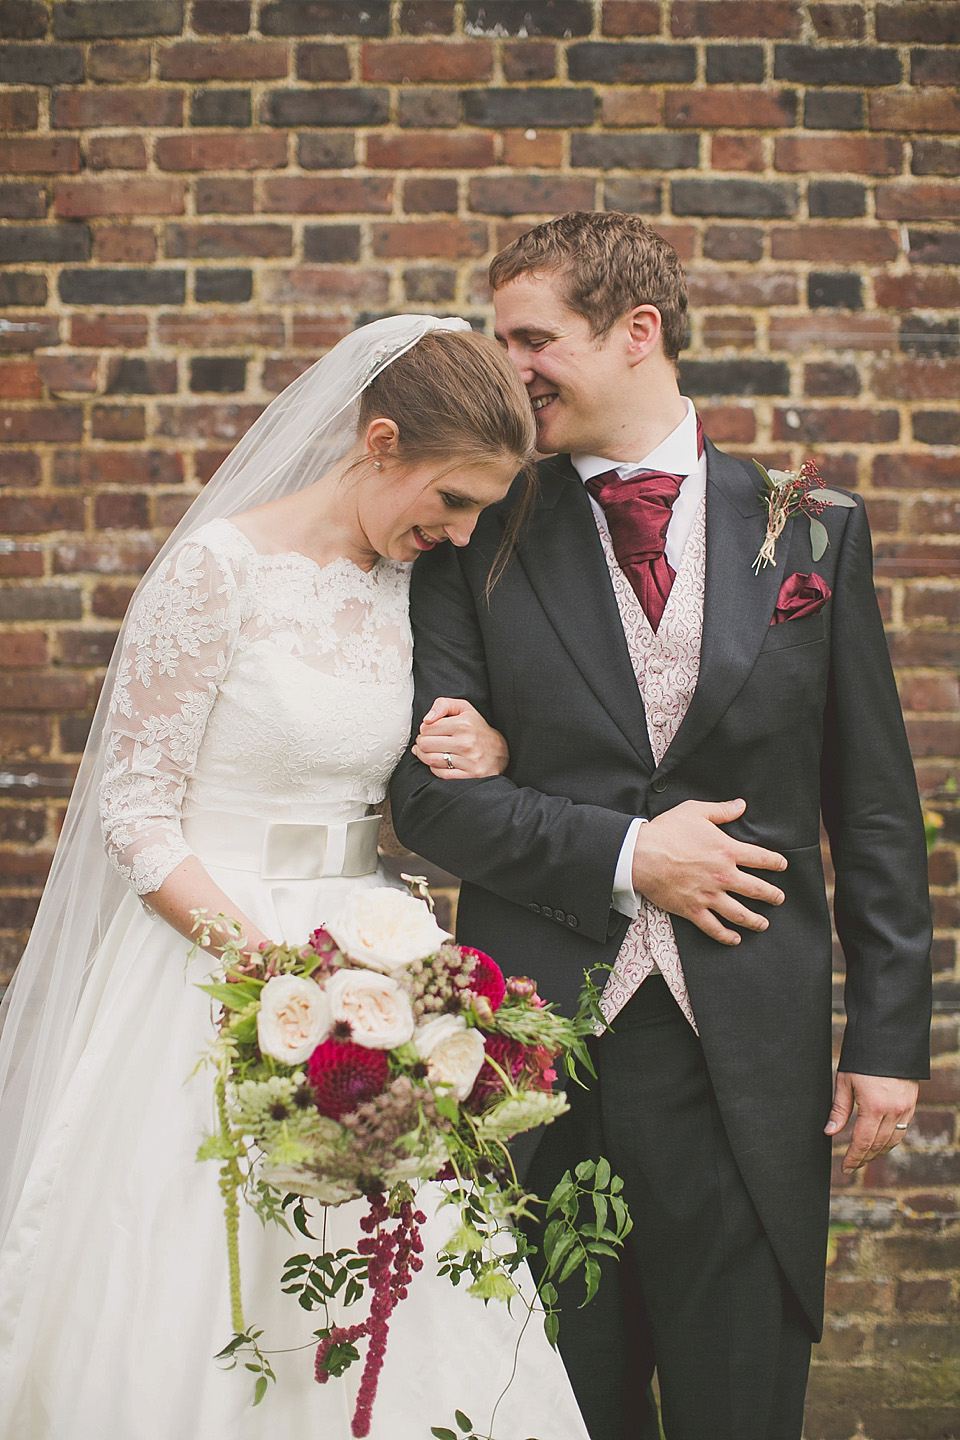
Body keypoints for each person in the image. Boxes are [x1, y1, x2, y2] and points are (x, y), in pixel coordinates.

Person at [390, 212, 933, 1440]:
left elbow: (878, 807)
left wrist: (891, 1036)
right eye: (499, 337)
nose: (508, 364)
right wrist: (631, 857)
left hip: (749, 1044)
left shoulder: (814, 528)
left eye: (534, 338)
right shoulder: (477, 535)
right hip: (539, 1045)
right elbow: (425, 797)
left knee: (743, 1389)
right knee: (557, 1398)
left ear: (638, 333)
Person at [0, 315, 592, 1440]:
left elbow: (412, 771)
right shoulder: (216, 572)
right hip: (211, 969)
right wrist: (270, 976)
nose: (462, 535)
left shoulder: (407, 587)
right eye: (454, 500)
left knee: (388, 1273)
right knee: (203, 1280)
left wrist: (495, 751)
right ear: (379, 442)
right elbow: (134, 815)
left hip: (371, 975)